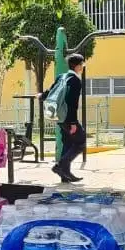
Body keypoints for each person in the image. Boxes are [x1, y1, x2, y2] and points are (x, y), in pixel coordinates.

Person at [49, 53, 87, 183]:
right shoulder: (75, 80)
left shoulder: (61, 77)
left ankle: (65, 175)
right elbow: (72, 102)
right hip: (68, 117)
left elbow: (51, 92)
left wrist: (41, 95)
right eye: (82, 64)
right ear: (77, 66)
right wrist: (72, 122)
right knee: (81, 142)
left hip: (59, 116)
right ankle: (60, 166)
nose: (82, 67)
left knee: (68, 143)